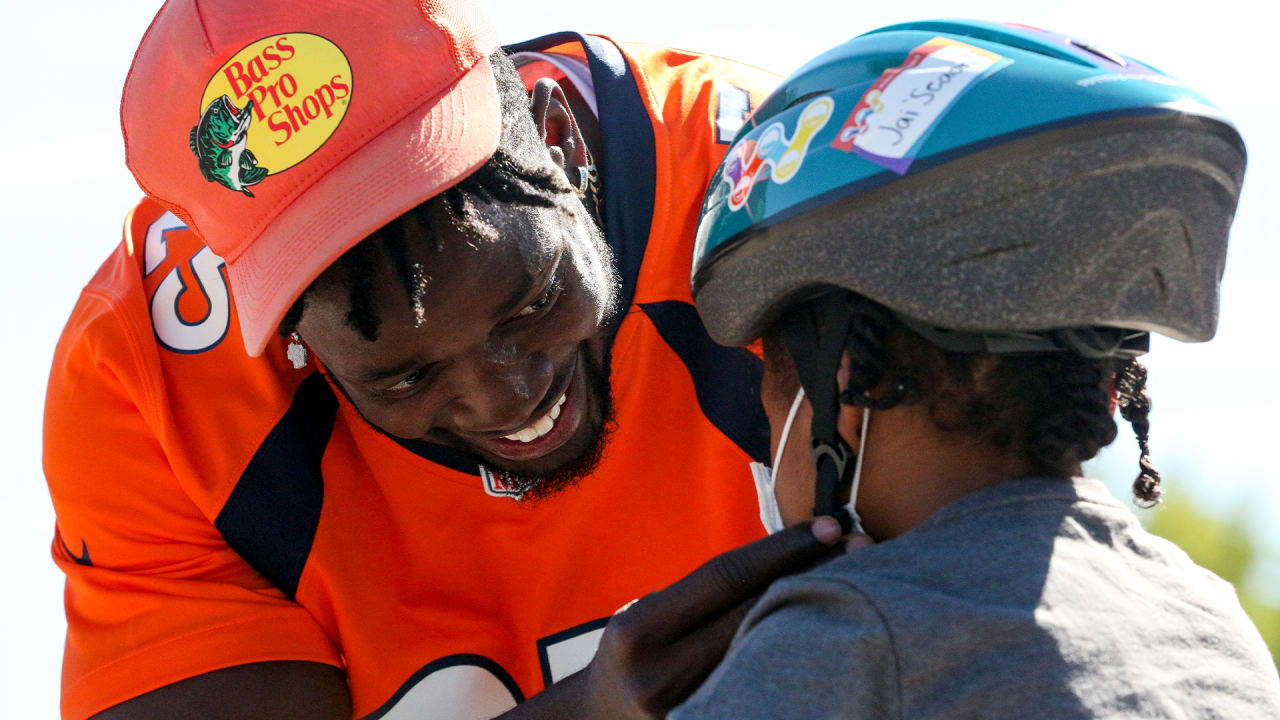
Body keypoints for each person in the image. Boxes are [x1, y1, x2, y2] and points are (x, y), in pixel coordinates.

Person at [43, 1, 853, 718]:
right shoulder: (148, 383)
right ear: (290, 335)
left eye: (532, 301)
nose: (503, 397)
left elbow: (975, 610)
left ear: (559, 142)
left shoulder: (792, 193)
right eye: (406, 374)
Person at [673, 19, 1280, 719]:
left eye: (768, 393)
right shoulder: (1214, 628)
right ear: (1108, 385)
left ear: (841, 384)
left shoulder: (844, 641)